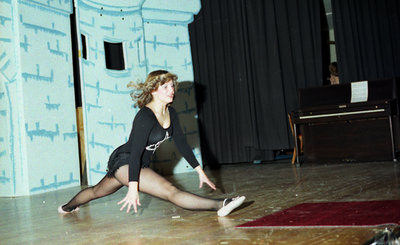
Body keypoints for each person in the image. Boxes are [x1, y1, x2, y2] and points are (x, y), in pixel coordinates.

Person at [58, 70, 245, 217]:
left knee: (96, 191)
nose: (171, 90)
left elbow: (182, 144)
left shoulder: (171, 114)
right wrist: (133, 188)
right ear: (153, 90)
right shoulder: (145, 117)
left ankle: (67, 207)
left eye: (172, 86)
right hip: (126, 161)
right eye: (165, 87)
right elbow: (136, 153)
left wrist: (200, 171)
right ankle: (221, 204)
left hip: (138, 163)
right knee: (170, 191)